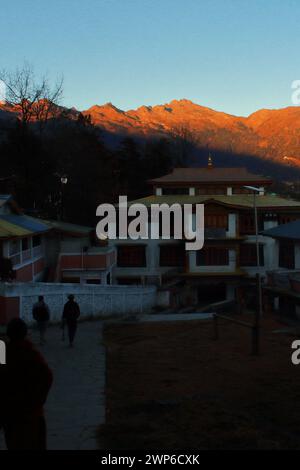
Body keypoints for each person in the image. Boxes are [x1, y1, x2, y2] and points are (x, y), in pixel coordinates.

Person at [0, 318, 53, 450]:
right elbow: (47, 376)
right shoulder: (31, 353)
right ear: (25, 333)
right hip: (31, 414)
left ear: (8, 334)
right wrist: (39, 400)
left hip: (10, 413)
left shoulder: (3, 353)